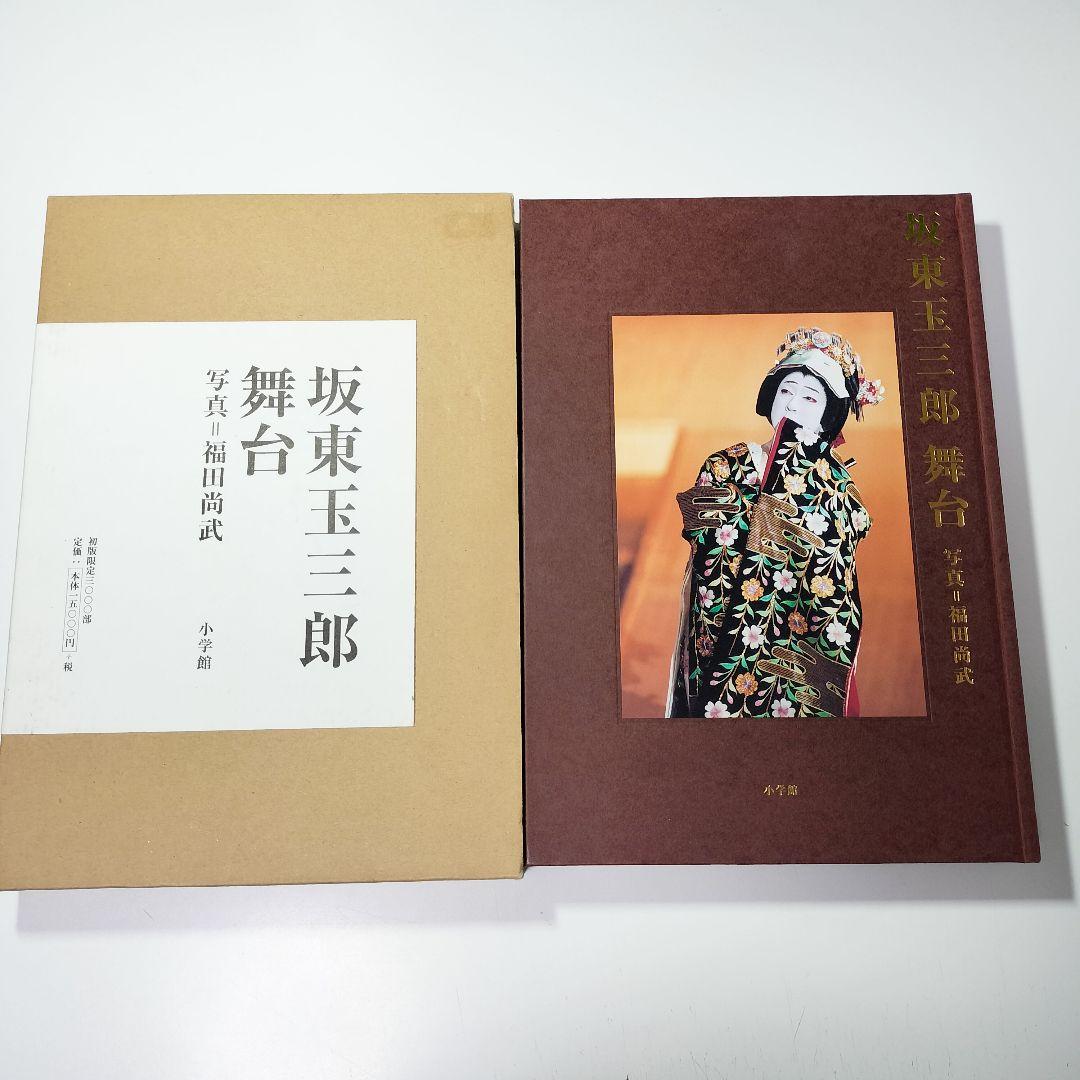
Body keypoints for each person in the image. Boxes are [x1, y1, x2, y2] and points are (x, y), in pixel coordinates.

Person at [665, 327, 885, 718]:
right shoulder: (725, 464)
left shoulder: (839, 488)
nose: (793, 404)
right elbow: (702, 532)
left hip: (797, 637)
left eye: (810, 397)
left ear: (830, 413)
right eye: (786, 390)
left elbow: (838, 571)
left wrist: (794, 496)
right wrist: (773, 507)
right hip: (724, 623)